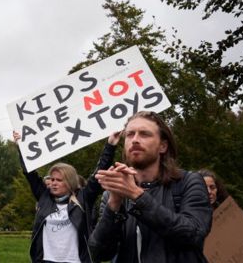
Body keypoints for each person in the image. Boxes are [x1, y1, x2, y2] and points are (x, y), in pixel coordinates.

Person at [89, 111, 213, 263]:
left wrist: (137, 195)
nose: (135, 140)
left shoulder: (188, 182)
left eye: (144, 134)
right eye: (130, 134)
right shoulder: (113, 195)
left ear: (163, 146)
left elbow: (193, 235)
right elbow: (98, 253)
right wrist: (114, 203)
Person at [13, 130, 119, 263]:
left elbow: (99, 172)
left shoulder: (83, 198)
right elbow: (30, 174)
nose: (53, 183)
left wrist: (110, 145)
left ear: (70, 182)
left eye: (58, 180)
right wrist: (22, 148)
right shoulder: (44, 197)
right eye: (51, 180)